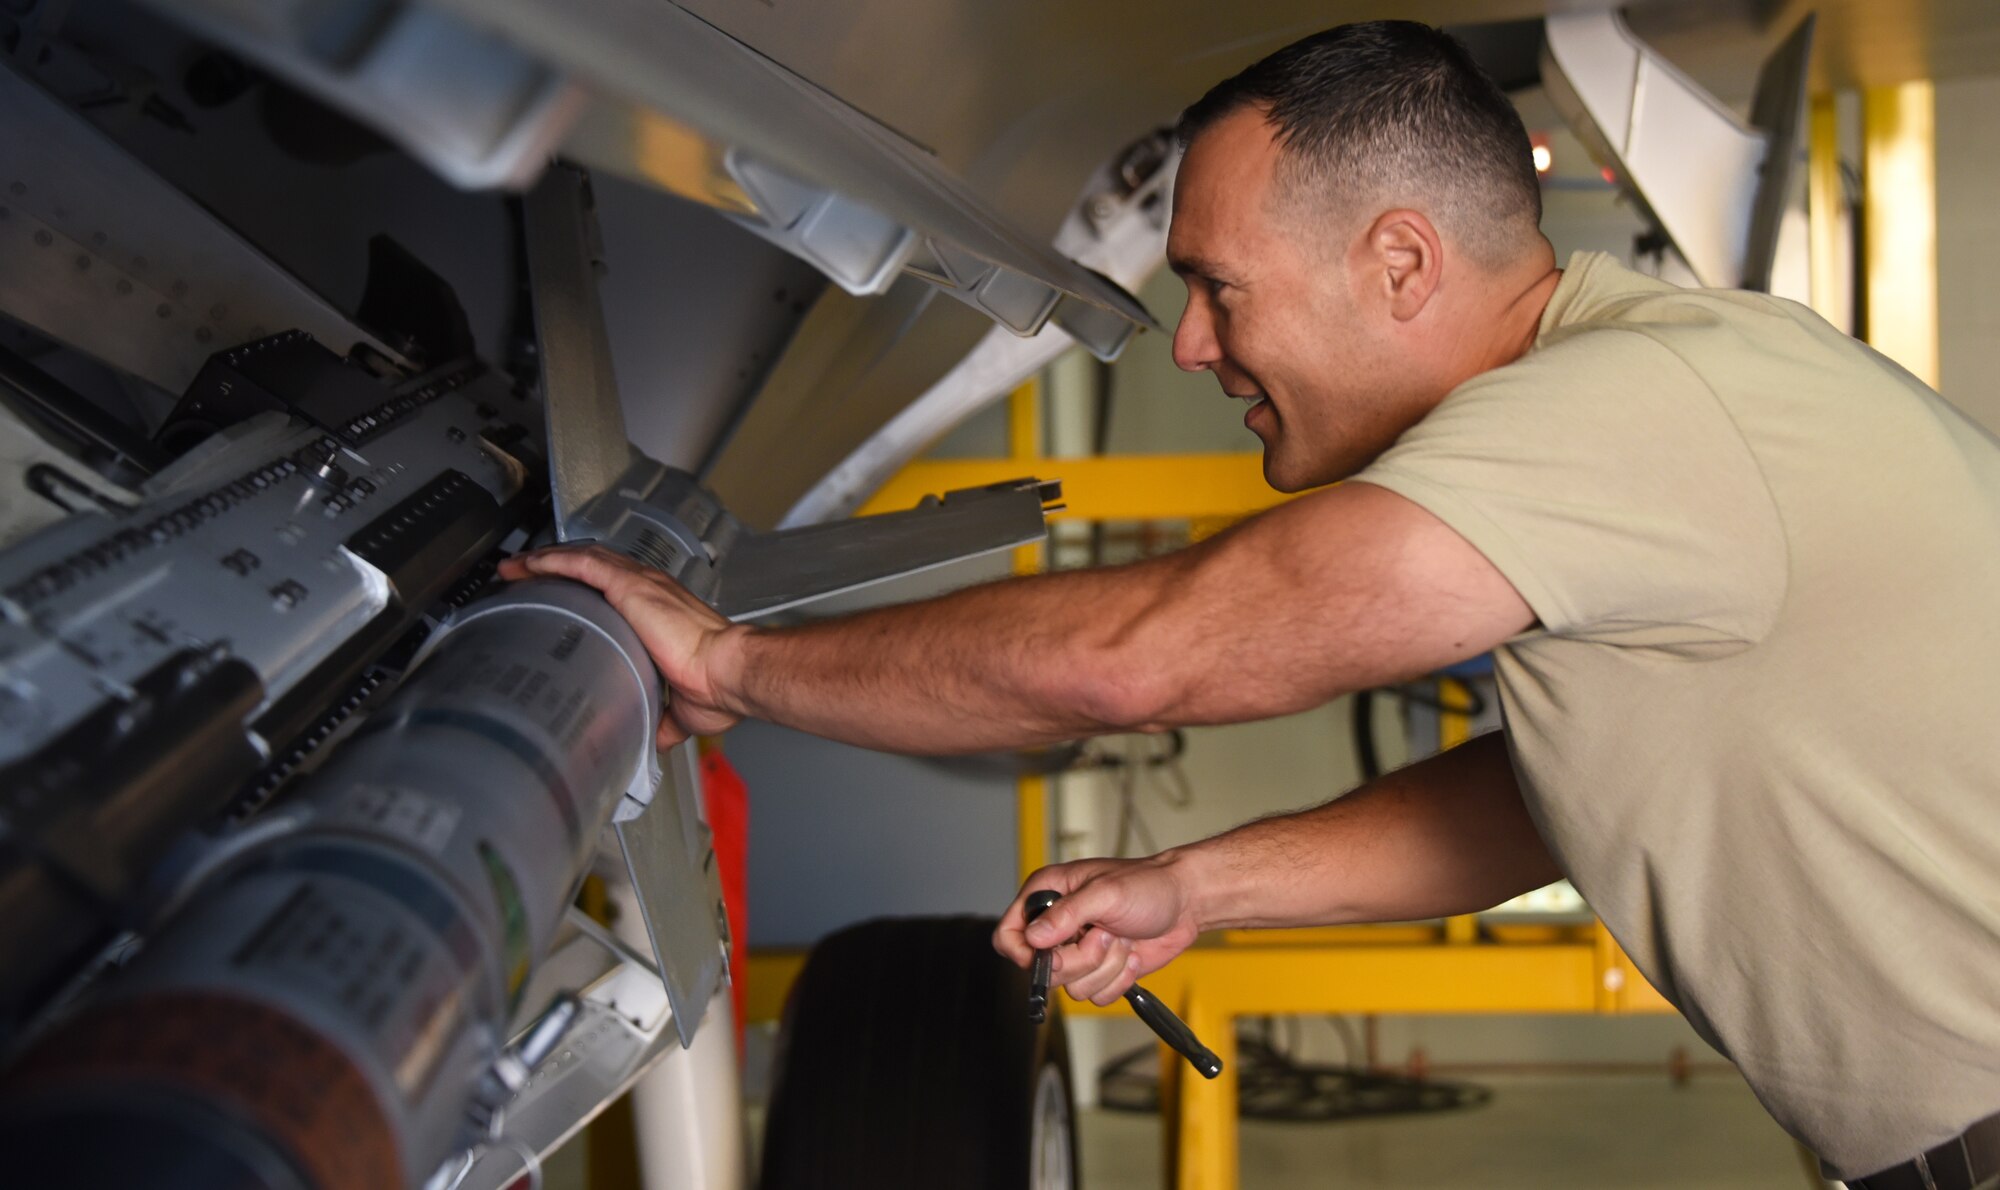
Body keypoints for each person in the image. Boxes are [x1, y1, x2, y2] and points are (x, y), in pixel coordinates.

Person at [500, 21, 2000, 1188]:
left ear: (1400, 262)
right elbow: (1572, 798)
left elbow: (1143, 658)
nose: (1195, 346)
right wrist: (1198, 887)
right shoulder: (1627, 411)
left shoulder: (1634, 409)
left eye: (1220, 286)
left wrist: (733, 662)